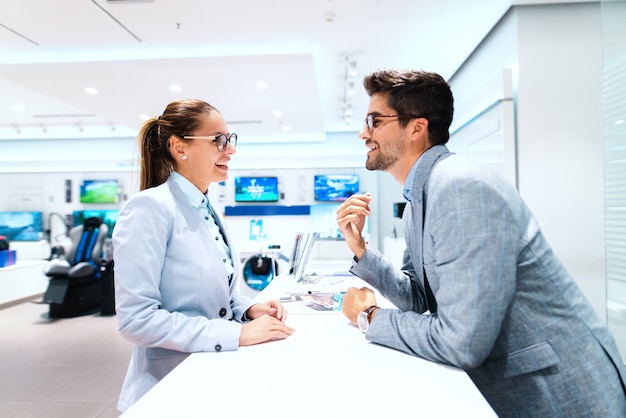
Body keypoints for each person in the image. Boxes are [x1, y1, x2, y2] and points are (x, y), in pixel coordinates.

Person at [337, 69, 626, 417]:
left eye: (374, 120)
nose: (362, 133)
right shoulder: (420, 201)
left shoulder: (459, 186)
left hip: (564, 395)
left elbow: (461, 342)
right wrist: (362, 251)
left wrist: (370, 317)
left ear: (416, 127)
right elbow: (418, 298)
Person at [112, 99, 295, 412]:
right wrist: (236, 333)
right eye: (218, 140)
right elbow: (136, 320)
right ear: (179, 147)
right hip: (167, 387)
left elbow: (219, 292)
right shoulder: (150, 209)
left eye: (230, 139)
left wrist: (249, 309)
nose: (230, 149)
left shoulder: (210, 210)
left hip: (210, 374)